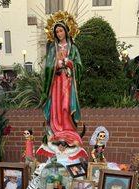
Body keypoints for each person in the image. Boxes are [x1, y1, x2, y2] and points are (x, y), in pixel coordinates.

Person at [37, 16, 87, 160]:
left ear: (66, 31)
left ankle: (68, 130)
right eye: (57, 32)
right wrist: (56, 65)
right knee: (56, 106)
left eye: (61, 31)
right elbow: (47, 67)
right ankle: (56, 130)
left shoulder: (73, 48)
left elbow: (79, 66)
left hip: (68, 82)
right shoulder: (53, 48)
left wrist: (70, 63)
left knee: (66, 106)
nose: (59, 34)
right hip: (56, 82)